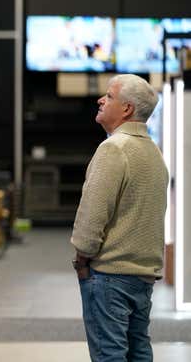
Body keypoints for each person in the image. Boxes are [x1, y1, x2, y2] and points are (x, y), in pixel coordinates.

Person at [71, 74, 168, 362]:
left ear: (127, 109)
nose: (101, 100)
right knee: (139, 350)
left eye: (109, 96)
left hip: (110, 276)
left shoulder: (113, 148)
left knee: (109, 354)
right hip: (143, 275)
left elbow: (93, 212)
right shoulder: (153, 153)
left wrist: (82, 257)